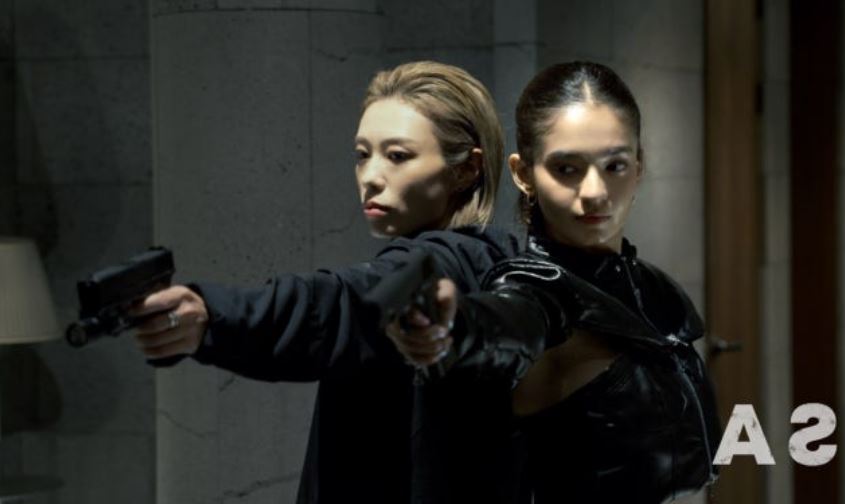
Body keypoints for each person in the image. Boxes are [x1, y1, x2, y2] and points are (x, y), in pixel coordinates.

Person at [127, 61, 525, 503]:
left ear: (467, 169)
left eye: (398, 156)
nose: (370, 177)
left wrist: (214, 316)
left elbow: (344, 303)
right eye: (362, 154)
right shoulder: (499, 266)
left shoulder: (442, 266)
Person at [388, 61, 722, 503]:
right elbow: (513, 318)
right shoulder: (536, 290)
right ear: (523, 174)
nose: (595, 191)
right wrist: (455, 324)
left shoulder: (651, 290)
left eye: (615, 165)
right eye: (567, 168)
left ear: (639, 167)